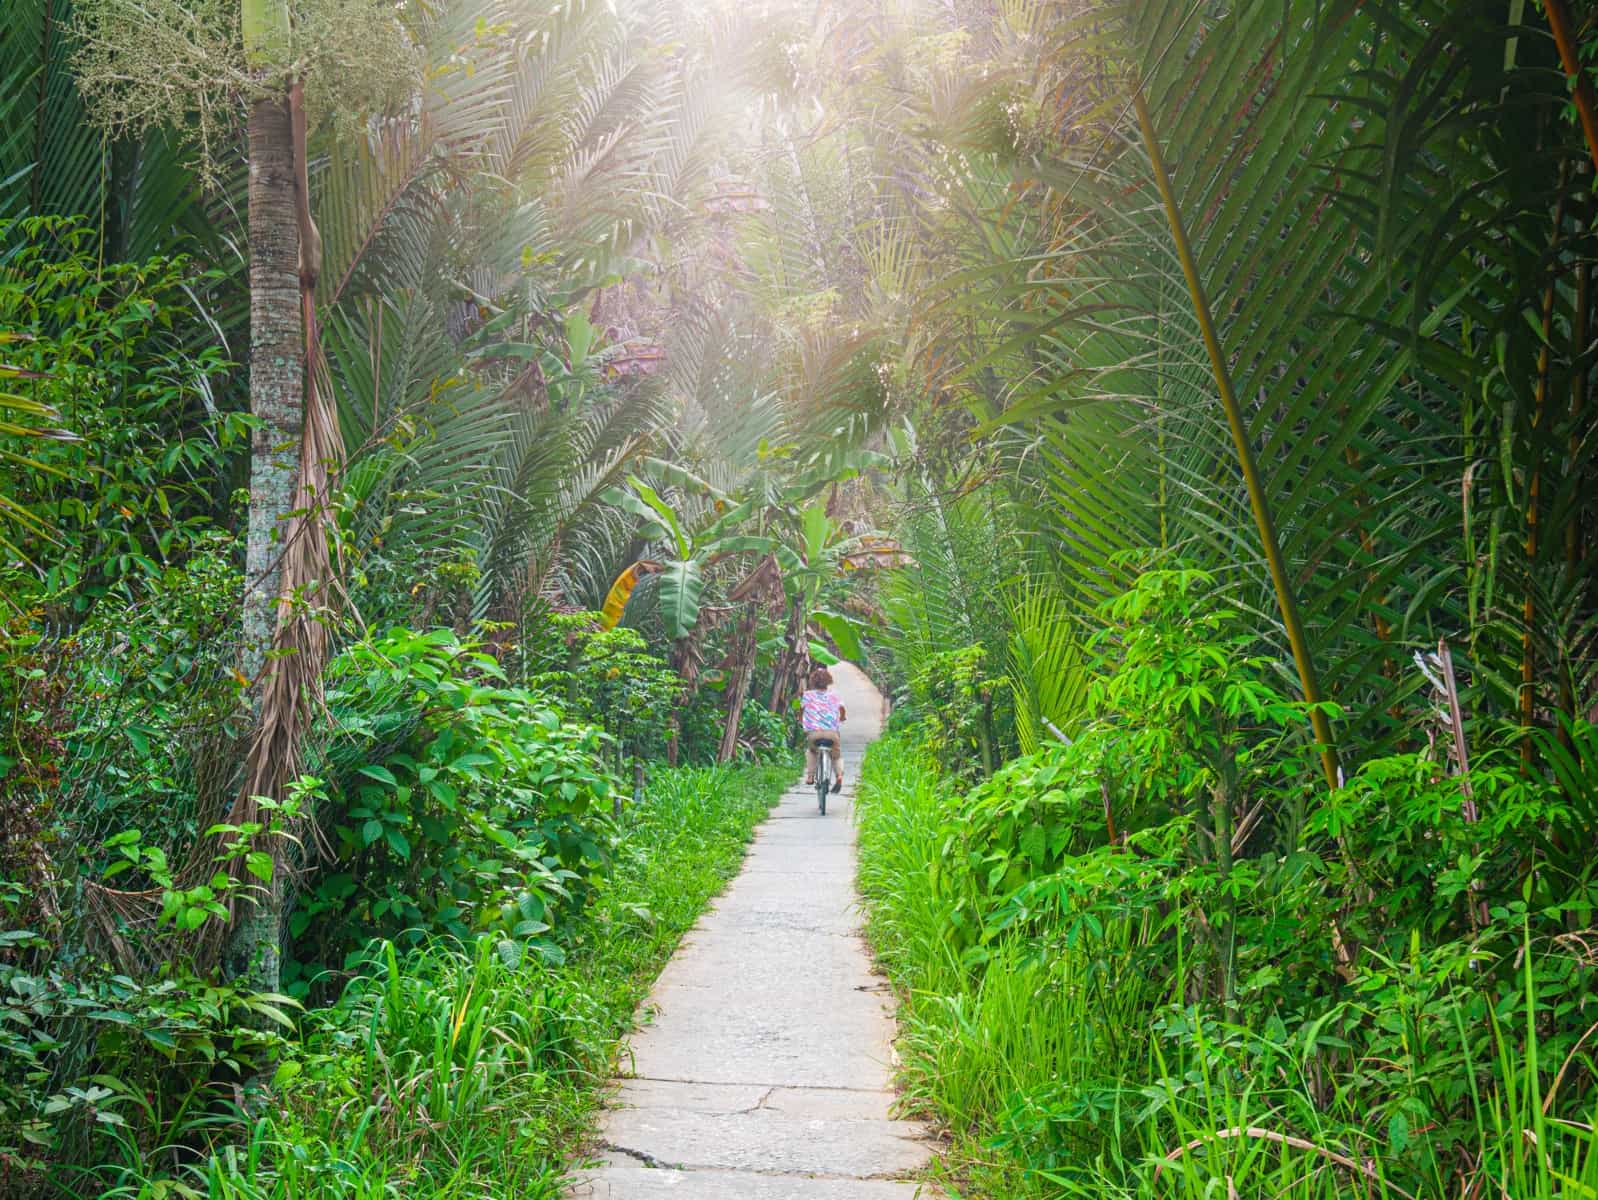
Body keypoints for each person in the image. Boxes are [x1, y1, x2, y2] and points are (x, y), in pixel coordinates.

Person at [800, 666, 846, 793]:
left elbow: (802, 710)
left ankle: (810, 776)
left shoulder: (807, 695)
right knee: (836, 756)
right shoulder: (835, 695)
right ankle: (839, 776)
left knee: (811, 751)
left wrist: (801, 720)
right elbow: (841, 709)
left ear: (813, 681)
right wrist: (842, 717)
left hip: (814, 733)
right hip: (832, 734)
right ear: (828, 681)